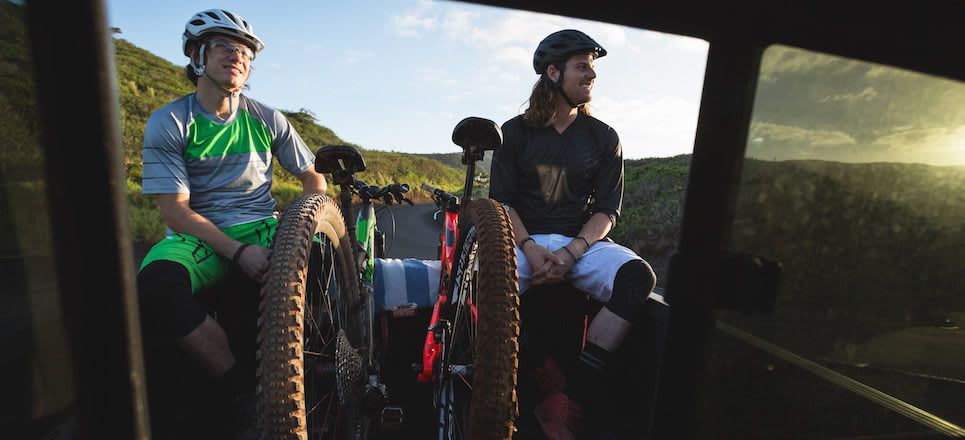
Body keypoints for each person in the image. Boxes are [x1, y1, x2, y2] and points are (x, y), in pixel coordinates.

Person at [135, 8, 325, 437]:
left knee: (318, 259)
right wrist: (238, 253)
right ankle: (239, 391)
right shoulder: (170, 121)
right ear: (195, 55)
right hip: (198, 231)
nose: (237, 56)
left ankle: (309, 366)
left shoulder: (266, 117)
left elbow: (313, 177)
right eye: (223, 46)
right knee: (156, 287)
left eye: (244, 51)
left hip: (261, 222)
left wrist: (309, 219)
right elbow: (175, 211)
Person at [489, 29, 657, 440]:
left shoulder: (604, 138)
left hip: (580, 243)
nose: (591, 75)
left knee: (638, 278)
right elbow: (503, 204)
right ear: (553, 73)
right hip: (520, 239)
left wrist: (571, 253)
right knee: (473, 290)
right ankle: (521, 375)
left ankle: (570, 398)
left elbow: (606, 211)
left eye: (592, 68)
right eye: (582, 66)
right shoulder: (513, 132)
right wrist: (529, 249)